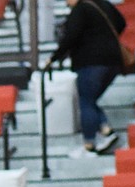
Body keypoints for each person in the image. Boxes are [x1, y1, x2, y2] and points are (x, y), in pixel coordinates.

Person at [47, 0, 126, 158]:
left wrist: (54, 57)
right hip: (113, 60)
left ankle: (89, 144)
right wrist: (106, 37)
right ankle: (106, 130)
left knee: (86, 101)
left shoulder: (80, 9)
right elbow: (121, 22)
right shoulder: (103, 4)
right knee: (90, 100)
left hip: (90, 62)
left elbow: (71, 36)